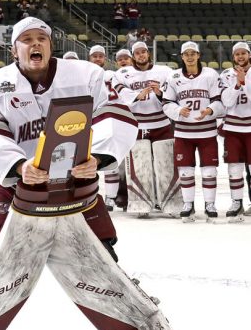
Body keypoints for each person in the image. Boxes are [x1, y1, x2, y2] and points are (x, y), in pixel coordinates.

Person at [0, 17, 170, 330]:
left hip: (73, 186)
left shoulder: (85, 76)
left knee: (103, 261)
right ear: (14, 49)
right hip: (11, 186)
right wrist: (18, 165)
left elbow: (115, 114)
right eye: (26, 39)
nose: (35, 44)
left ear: (50, 45)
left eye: (41, 38)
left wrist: (101, 157)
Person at [113, 41, 177, 217]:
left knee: (166, 163)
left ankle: (171, 202)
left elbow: (173, 93)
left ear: (149, 54)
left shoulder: (165, 72)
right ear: (133, 56)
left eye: (144, 52)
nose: (141, 55)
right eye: (137, 52)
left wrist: (160, 93)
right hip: (137, 125)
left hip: (161, 124)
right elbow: (119, 92)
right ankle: (140, 203)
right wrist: (136, 95)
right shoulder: (122, 74)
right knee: (139, 165)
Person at [161, 41, 223, 222]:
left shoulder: (210, 75)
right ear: (181, 57)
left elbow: (219, 101)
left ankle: (210, 204)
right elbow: (166, 103)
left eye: (192, 53)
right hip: (183, 132)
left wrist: (210, 110)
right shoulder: (173, 77)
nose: (189, 56)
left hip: (207, 132)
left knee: (209, 171)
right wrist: (178, 111)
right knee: (185, 171)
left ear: (198, 55)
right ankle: (188, 204)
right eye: (186, 53)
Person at [219, 42, 251, 221]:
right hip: (233, 126)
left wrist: (245, 81)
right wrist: (236, 85)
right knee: (234, 168)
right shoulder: (226, 74)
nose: (240, 56)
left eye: (243, 53)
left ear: (249, 55)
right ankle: (237, 202)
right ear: (233, 57)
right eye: (237, 54)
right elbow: (226, 102)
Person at [88, 45, 120, 210]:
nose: (98, 59)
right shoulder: (83, 74)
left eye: (101, 56)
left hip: (107, 120)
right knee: (86, 163)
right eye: (95, 56)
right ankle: (90, 197)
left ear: (105, 59)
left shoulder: (113, 75)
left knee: (107, 159)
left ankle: (110, 198)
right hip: (88, 122)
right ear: (89, 58)